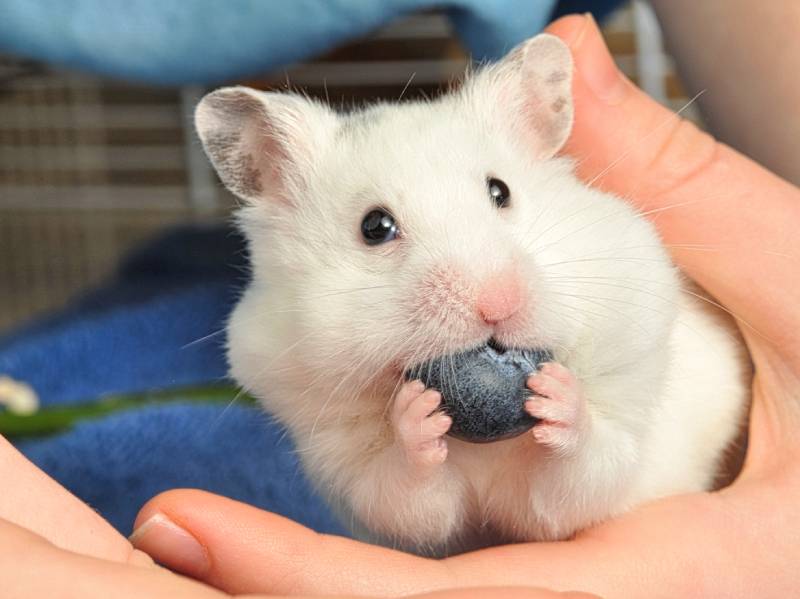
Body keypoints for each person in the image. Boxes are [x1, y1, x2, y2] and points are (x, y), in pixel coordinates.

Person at [2, 13, 799, 598]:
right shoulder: (325, 388)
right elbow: (413, 521)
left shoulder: (616, 298)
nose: (491, 298)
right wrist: (405, 465)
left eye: (498, 194)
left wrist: (579, 433)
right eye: (378, 229)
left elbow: (572, 502)